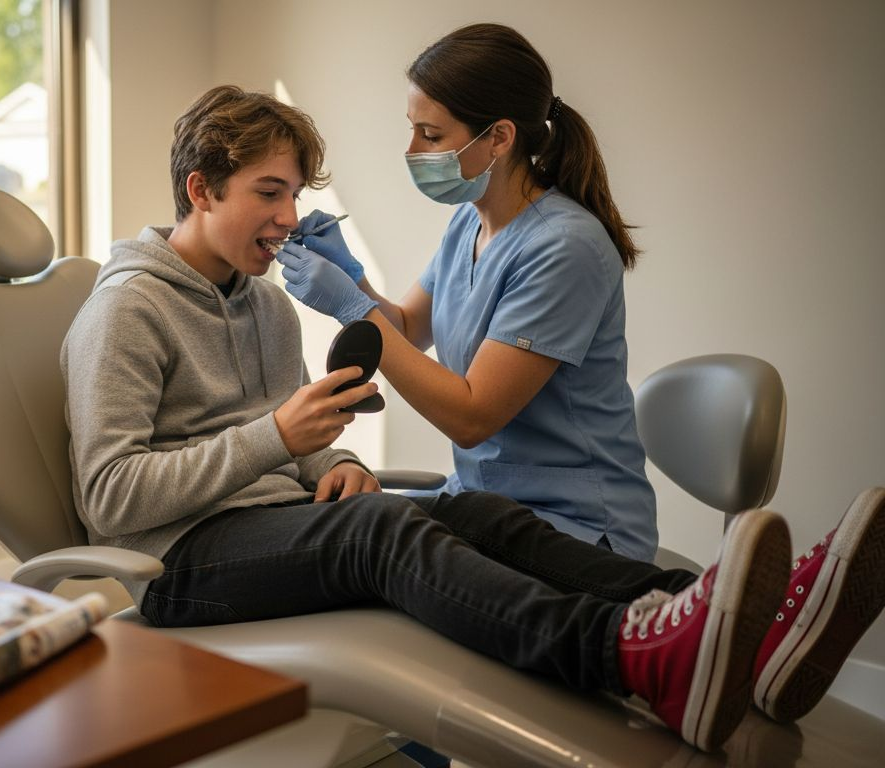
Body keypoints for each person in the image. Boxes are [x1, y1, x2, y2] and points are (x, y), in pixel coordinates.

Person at [61, 84, 885, 751]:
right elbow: (110, 499)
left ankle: (737, 621)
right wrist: (275, 438)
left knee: (475, 513)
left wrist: (333, 463)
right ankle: (629, 656)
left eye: (293, 195)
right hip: (181, 560)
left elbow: (293, 444)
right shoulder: (129, 309)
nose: (287, 217)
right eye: (267, 193)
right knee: (382, 533)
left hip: (273, 523)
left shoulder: (266, 307)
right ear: (200, 189)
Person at [275, 23, 657, 561]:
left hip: (577, 527)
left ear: (499, 137)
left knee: (372, 558)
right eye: (412, 130)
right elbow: (408, 329)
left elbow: (471, 418)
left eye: (430, 136)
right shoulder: (470, 223)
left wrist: (352, 307)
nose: (411, 150)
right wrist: (352, 277)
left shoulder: (564, 247)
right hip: (488, 506)